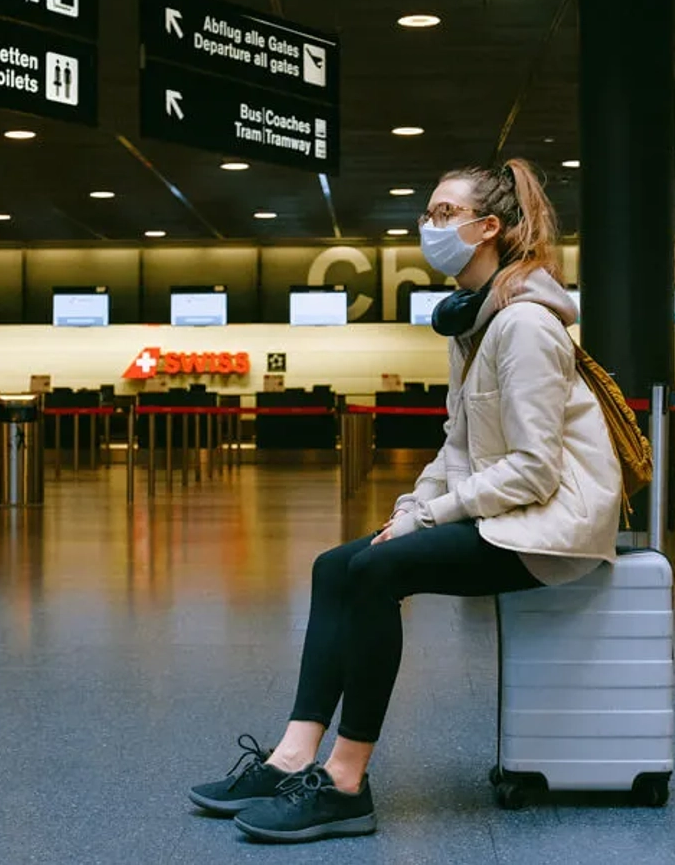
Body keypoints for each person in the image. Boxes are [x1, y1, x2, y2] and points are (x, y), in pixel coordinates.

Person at [188, 159, 622, 843]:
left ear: (489, 230)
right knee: (337, 565)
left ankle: (344, 783)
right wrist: (410, 508)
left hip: (549, 531)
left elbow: (536, 471)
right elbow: (459, 444)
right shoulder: (476, 324)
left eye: (444, 214)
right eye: (429, 212)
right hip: (506, 514)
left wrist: (433, 517)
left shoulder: (526, 327)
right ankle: (291, 756)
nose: (429, 226)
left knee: (376, 571)